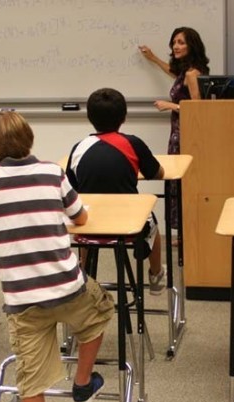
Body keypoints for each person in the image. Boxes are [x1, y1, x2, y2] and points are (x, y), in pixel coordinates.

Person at [0, 110, 114, 402]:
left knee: (31, 384)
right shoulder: (52, 172)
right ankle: (82, 383)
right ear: (28, 138)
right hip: (68, 288)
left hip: (23, 300)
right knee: (101, 309)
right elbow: (79, 217)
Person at [66, 87, 165, 295]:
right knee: (154, 224)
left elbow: (72, 187)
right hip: (129, 223)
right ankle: (156, 275)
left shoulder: (78, 147)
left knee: (83, 215)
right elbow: (157, 173)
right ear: (124, 117)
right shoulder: (133, 143)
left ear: (90, 118)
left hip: (90, 223)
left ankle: (84, 274)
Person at [139, 27, 209, 231]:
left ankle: (186, 230)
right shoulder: (185, 71)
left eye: (181, 43)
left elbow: (198, 109)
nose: (176, 46)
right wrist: (153, 58)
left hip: (186, 134)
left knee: (181, 180)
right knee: (176, 183)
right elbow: (172, 72)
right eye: (174, 42)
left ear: (191, 46)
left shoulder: (193, 74)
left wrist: (170, 106)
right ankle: (181, 232)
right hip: (177, 132)